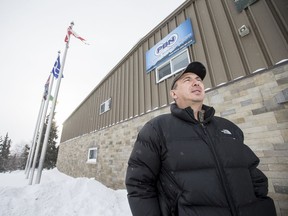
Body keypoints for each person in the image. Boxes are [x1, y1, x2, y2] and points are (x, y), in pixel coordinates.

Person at [125, 61, 277, 216]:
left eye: (198, 79)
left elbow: (254, 176)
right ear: (174, 94)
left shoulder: (229, 128)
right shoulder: (157, 128)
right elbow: (139, 184)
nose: (196, 82)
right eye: (187, 80)